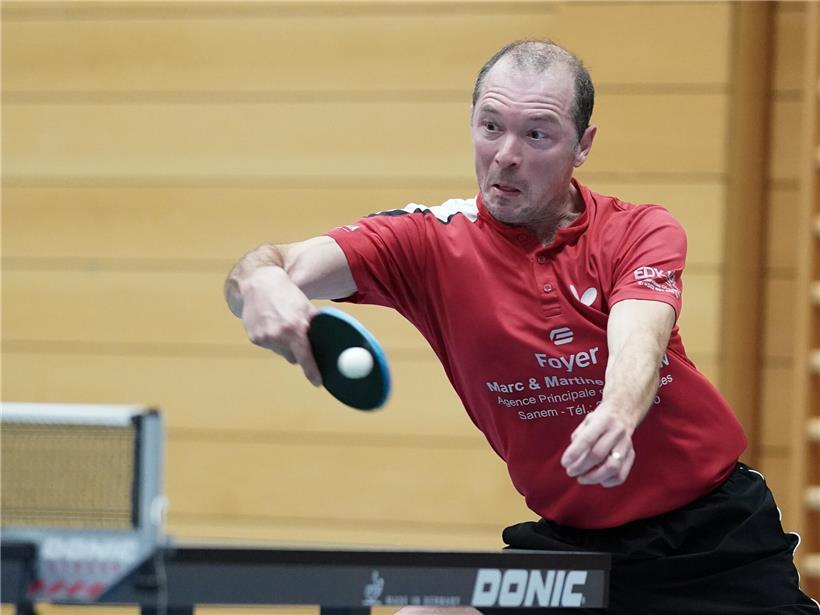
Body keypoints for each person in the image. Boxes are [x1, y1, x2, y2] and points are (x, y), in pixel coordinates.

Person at [224, 40, 819, 613]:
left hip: (713, 538)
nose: (506, 153)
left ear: (582, 145)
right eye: (490, 127)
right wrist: (261, 284)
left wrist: (617, 413)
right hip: (574, 548)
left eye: (536, 134)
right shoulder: (424, 243)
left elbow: (642, 331)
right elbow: (271, 264)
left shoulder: (639, 229)